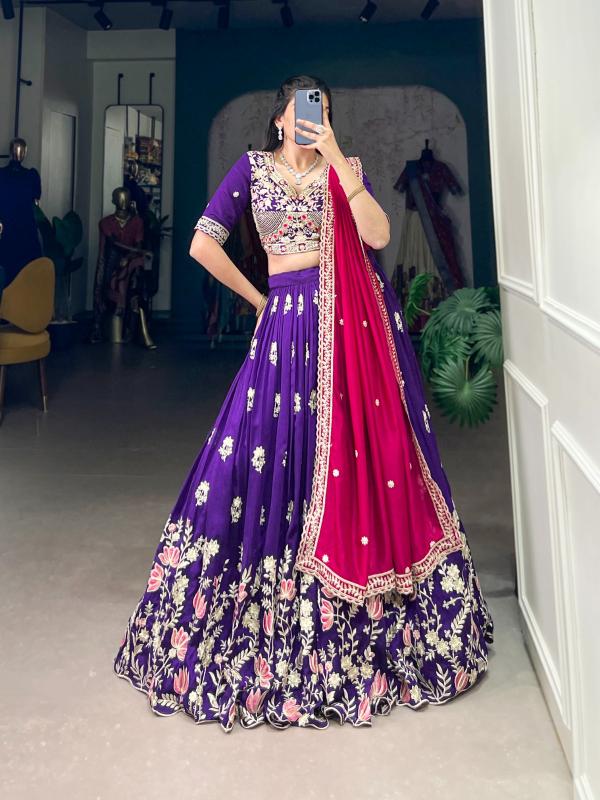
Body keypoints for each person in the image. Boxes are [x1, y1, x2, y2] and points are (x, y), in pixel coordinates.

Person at [113, 75, 494, 731]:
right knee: (263, 455)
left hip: (346, 333)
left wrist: (339, 158)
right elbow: (203, 242)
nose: (313, 120)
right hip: (283, 327)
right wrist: (258, 299)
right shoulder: (252, 169)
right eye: (303, 111)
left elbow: (377, 236)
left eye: (323, 111)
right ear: (280, 119)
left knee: (346, 457)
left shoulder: (344, 170)